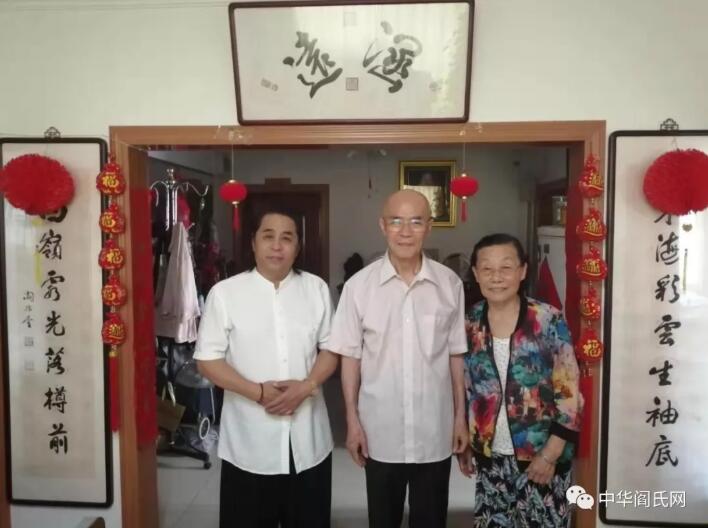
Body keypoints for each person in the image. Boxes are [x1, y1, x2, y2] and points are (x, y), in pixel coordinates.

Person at [327, 189, 468, 528]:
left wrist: (460, 417)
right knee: (382, 520)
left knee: (431, 520)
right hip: (380, 432)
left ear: (429, 227)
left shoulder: (449, 284)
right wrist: (352, 421)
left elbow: (455, 355)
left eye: (416, 222)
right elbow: (350, 359)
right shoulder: (358, 287)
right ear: (382, 225)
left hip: (434, 431)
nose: (405, 232)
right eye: (396, 221)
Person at [194, 206, 338, 528]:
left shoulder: (316, 289)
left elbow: (331, 348)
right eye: (268, 236)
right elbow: (207, 360)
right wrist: (257, 392)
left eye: (287, 238)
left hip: (309, 441)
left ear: (297, 246)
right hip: (249, 444)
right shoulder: (225, 294)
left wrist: (306, 386)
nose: (277, 246)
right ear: (253, 243)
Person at [458, 233, 583, 527]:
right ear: (476, 273)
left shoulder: (547, 319)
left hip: (542, 457)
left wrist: (551, 454)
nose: (496, 277)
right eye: (487, 269)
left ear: (523, 270)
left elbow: (570, 393)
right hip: (491, 458)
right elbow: (467, 387)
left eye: (506, 267)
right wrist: (468, 440)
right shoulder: (470, 322)